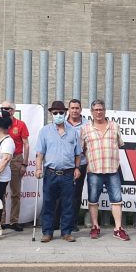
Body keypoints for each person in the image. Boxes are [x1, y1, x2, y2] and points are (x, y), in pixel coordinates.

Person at [81, 99, 129, 241]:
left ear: (105, 110)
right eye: (95, 110)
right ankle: (95, 227)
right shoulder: (85, 129)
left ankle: (118, 229)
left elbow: (119, 144)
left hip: (112, 169)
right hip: (94, 170)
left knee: (116, 200)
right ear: (91, 112)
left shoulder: (114, 126)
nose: (98, 112)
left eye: (101, 109)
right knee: (93, 200)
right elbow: (83, 149)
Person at [35, 100, 82, 243]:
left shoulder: (73, 132)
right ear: (51, 114)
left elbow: (78, 154)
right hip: (50, 173)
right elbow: (40, 153)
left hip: (68, 174)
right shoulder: (44, 131)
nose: (58, 115)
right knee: (48, 203)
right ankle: (47, 232)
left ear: (65, 113)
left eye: (61, 112)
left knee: (68, 204)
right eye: (55, 113)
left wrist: (77, 168)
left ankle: (66, 232)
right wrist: (38, 168)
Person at [54, 98, 88, 230]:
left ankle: (72, 223)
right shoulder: (61, 122)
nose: (74, 110)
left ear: (81, 109)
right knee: (59, 194)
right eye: (72, 108)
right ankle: (56, 222)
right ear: (68, 109)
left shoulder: (87, 124)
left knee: (75, 194)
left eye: (77, 108)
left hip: (81, 164)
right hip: (65, 163)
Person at [0, 100, 29, 232]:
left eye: (7, 108)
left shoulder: (20, 124)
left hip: (16, 159)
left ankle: (14, 221)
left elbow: (26, 144)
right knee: (0, 192)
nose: (4, 110)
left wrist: (25, 163)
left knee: (15, 192)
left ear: (13, 110)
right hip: (2, 159)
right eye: (2, 108)